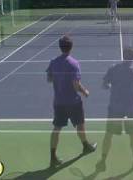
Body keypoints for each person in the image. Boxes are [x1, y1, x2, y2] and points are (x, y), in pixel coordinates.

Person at [46, 35, 97, 168]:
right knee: (80, 125)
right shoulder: (74, 63)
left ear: (60, 47)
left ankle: (53, 158)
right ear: (71, 47)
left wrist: (59, 79)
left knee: (57, 128)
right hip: (73, 102)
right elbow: (76, 85)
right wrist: (85, 91)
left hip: (58, 102)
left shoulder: (53, 62)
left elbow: (49, 79)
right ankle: (86, 146)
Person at [96, 47, 133, 172]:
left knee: (109, 135)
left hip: (114, 108)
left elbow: (104, 85)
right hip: (130, 109)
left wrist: (108, 86)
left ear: (124, 56)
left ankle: (102, 161)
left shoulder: (113, 69)